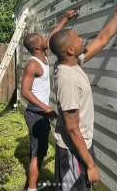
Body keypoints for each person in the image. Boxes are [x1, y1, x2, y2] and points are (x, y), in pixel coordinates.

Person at [49, 0, 117, 191]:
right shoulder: (68, 79)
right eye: (77, 38)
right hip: (74, 150)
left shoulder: (70, 62)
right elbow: (72, 128)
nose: (82, 39)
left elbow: (101, 40)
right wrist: (90, 165)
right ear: (70, 50)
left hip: (80, 146)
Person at [21, 10, 76, 191]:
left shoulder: (43, 56)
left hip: (41, 114)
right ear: (37, 46)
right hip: (36, 114)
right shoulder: (33, 64)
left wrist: (65, 19)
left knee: (41, 151)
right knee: (36, 154)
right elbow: (25, 91)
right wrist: (45, 108)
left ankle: (33, 185)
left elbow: (52, 36)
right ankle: (31, 189)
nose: (46, 40)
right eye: (42, 40)